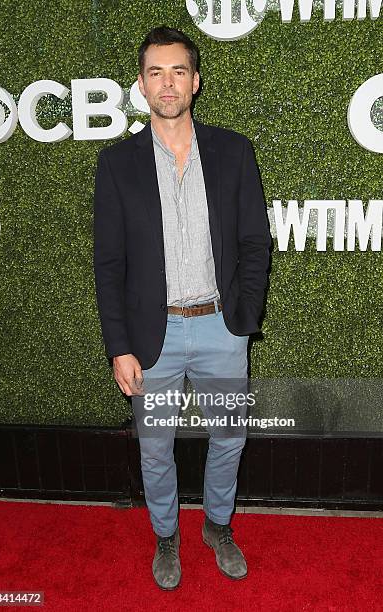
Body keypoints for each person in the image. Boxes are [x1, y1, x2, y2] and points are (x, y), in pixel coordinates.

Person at [94, 26, 271, 590]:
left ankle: (218, 527)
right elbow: (109, 265)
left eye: (177, 71)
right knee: (155, 449)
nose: (167, 83)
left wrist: (243, 315)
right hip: (154, 339)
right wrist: (119, 346)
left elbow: (254, 243)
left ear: (195, 81)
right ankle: (166, 534)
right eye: (155, 72)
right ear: (141, 86)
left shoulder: (234, 150)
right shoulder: (117, 164)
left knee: (228, 440)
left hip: (221, 328)